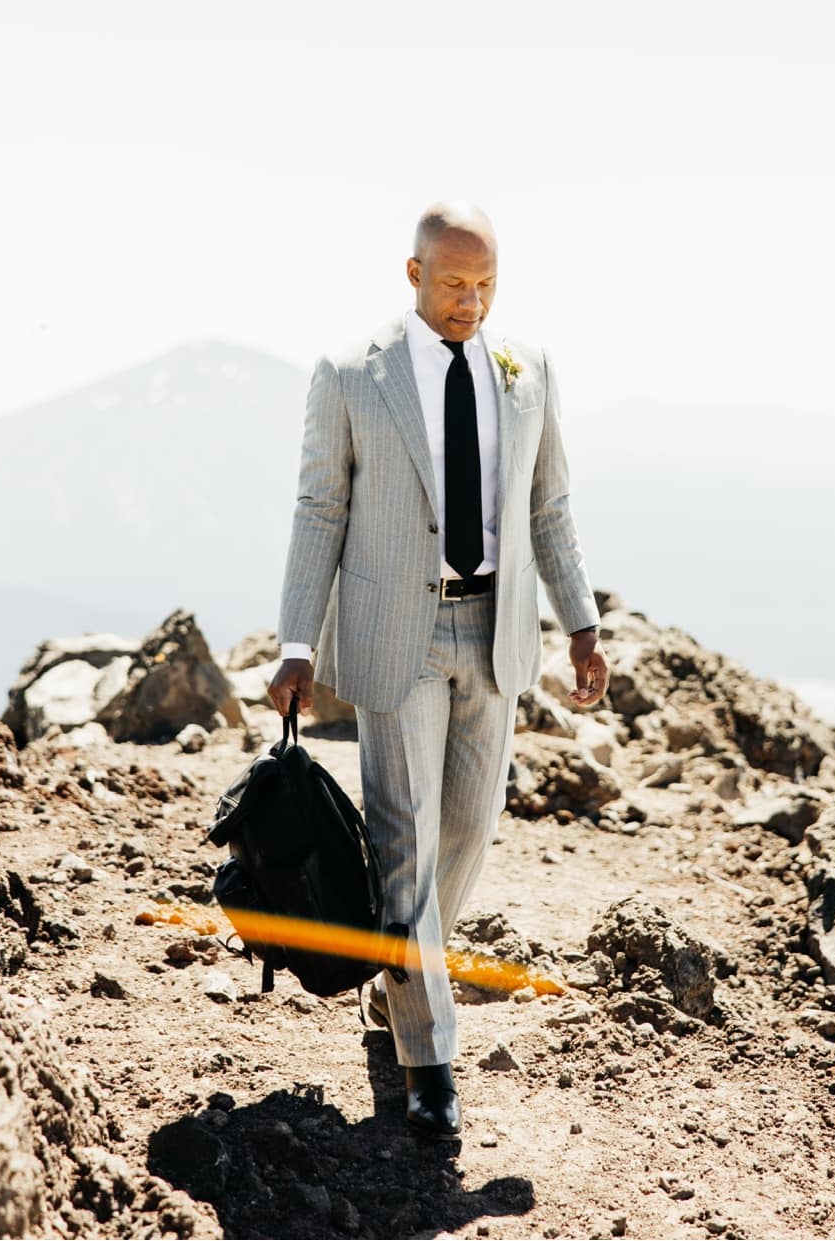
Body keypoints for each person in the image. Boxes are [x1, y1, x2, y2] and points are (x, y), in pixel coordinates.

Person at [265, 202, 608, 1140]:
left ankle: (400, 974)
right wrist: (295, 642)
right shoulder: (350, 373)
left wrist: (582, 623)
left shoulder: (528, 369)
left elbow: (551, 506)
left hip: (496, 632)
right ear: (413, 275)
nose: (472, 300)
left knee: (468, 829)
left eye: (487, 283)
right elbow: (318, 508)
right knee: (409, 839)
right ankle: (430, 1062)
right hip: (393, 637)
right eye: (455, 282)